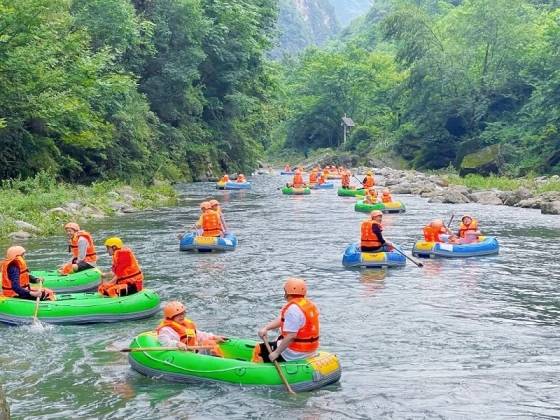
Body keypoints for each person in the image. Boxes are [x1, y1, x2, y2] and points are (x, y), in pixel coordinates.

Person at [256, 278, 319, 363]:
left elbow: (291, 336)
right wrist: (266, 328)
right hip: (309, 351)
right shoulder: (307, 305)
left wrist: (276, 353)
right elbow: (283, 320)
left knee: (259, 350)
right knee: (272, 345)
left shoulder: (293, 309)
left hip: (294, 353)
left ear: (287, 292)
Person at [157, 301, 225, 356]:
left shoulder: (186, 325)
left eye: (183, 314)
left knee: (210, 343)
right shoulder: (166, 330)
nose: (182, 316)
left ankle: (219, 359)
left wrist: (213, 337)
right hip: (181, 355)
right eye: (178, 315)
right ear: (170, 317)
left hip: (192, 352)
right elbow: (165, 342)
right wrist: (177, 344)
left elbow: (199, 334)